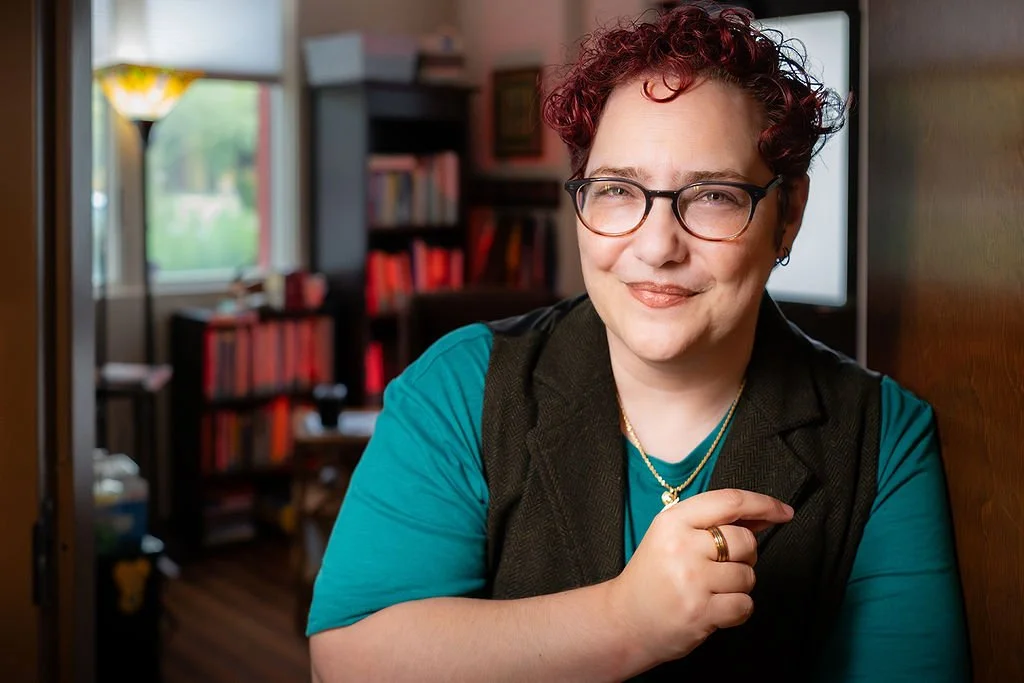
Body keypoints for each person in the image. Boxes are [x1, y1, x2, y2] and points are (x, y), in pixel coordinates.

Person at [307, 4, 970, 681]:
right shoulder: (457, 388)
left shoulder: (882, 436)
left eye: (712, 195)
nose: (656, 247)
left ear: (787, 216)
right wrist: (625, 622)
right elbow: (350, 659)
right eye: (619, 189)